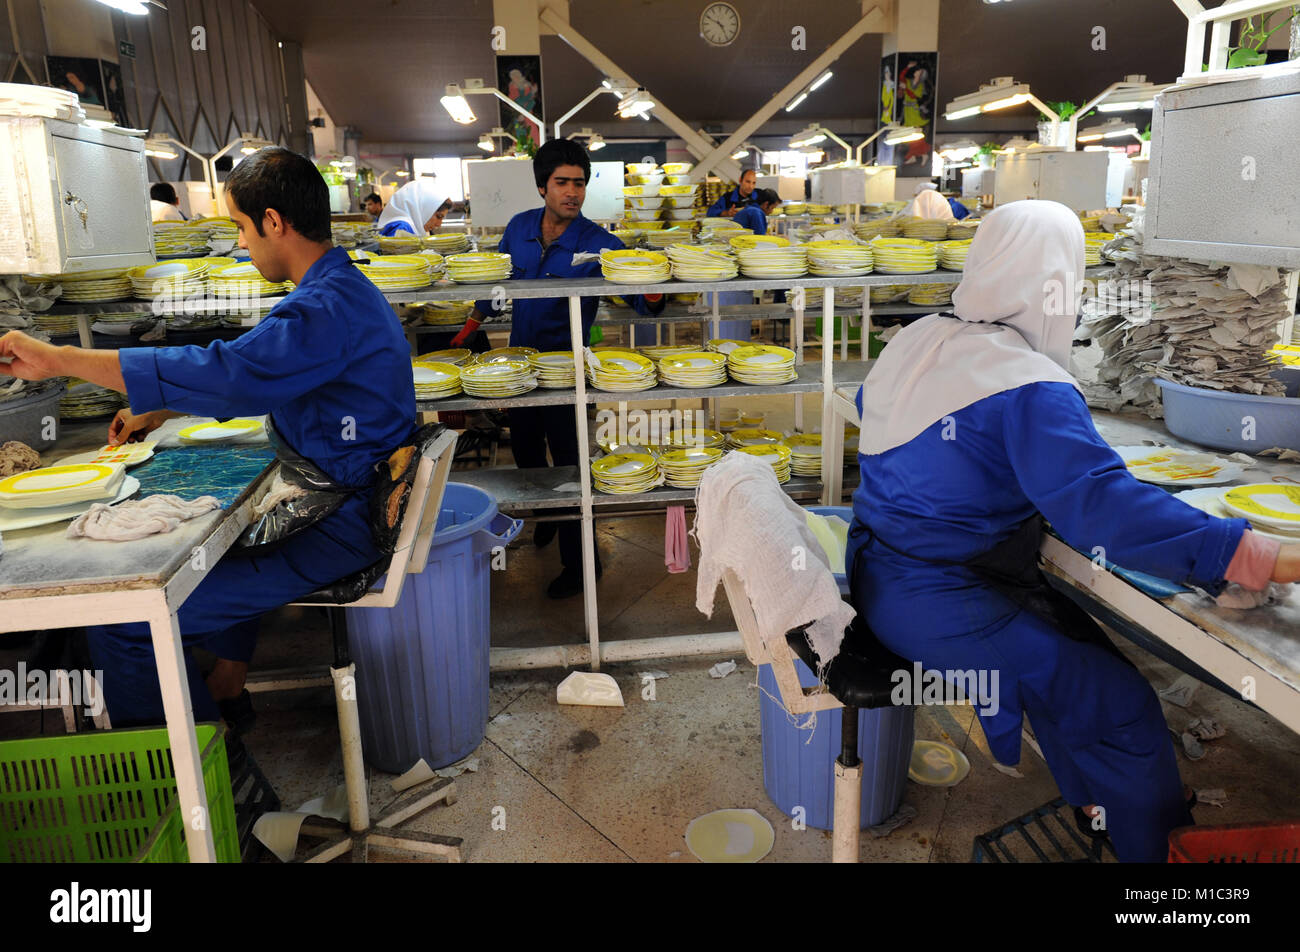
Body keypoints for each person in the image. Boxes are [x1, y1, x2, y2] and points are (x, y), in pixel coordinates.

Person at [846, 199, 1300, 863]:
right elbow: (1105, 514)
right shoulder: (1025, 383)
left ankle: (1100, 811)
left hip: (883, 572)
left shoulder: (917, 339)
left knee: (1081, 664)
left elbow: (925, 449)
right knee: (1120, 708)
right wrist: (1253, 553)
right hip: (942, 602)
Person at [0, 147, 416, 727]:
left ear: (274, 221)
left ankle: (199, 787)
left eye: (242, 228)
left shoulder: (322, 309)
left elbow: (230, 373)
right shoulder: (342, 290)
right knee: (222, 530)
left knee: (126, 622)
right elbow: (259, 378)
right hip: (346, 500)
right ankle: (224, 689)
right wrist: (162, 408)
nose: (242, 244)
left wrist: (61, 359)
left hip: (341, 524)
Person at [448, 138, 664, 599]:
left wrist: (655, 284)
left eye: (580, 183)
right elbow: (497, 281)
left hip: (567, 372)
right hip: (518, 367)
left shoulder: (598, 242)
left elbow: (638, 293)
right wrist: (471, 325)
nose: (573, 192)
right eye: (562, 182)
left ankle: (583, 563)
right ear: (542, 186)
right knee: (526, 453)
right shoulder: (520, 227)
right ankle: (547, 517)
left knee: (568, 467)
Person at [376, 178, 452, 237]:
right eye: (439, 216)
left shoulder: (414, 226)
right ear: (424, 209)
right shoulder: (402, 228)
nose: (439, 224)